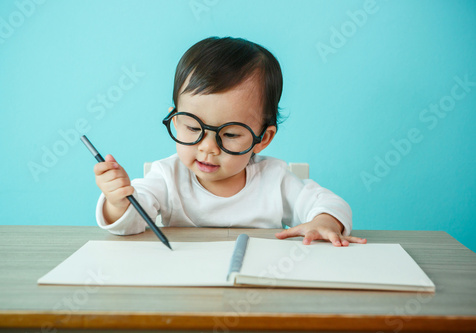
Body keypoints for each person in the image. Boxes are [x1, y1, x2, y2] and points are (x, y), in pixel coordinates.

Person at [93, 36, 366, 247]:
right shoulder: (166, 177)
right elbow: (130, 224)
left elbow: (330, 203)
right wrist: (118, 202)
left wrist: (323, 221)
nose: (208, 147)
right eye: (192, 127)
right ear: (175, 120)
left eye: (231, 134)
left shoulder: (274, 179)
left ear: (263, 138)